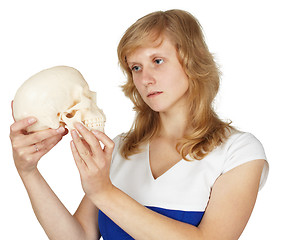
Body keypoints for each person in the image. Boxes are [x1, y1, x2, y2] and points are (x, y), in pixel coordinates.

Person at [10, 9, 269, 240]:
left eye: (157, 61)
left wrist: (104, 192)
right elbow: (79, 237)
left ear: (192, 61)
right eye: (135, 67)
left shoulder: (238, 152)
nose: (145, 79)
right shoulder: (121, 147)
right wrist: (29, 171)